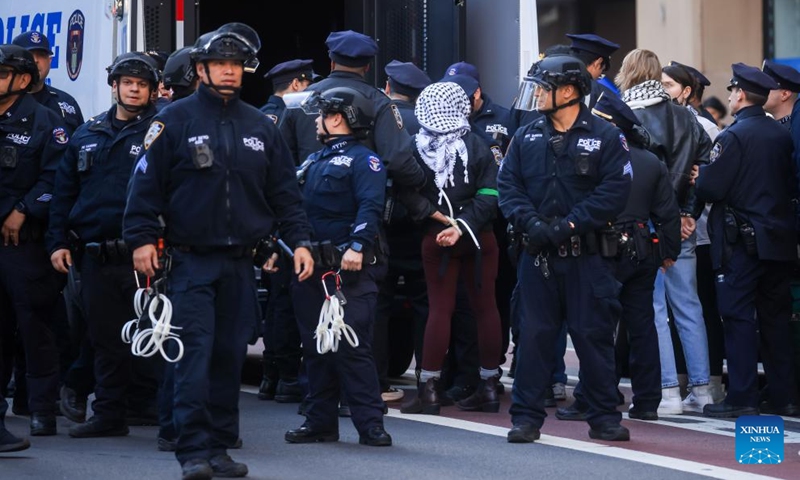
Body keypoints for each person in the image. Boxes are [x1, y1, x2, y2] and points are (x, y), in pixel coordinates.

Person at [123, 23, 315, 480]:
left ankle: (220, 447)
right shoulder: (173, 121)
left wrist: (301, 242)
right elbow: (144, 188)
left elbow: (286, 194)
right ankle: (191, 451)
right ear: (201, 69)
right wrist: (141, 239)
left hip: (240, 263)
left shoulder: (260, 126)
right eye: (219, 65)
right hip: (190, 260)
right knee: (194, 355)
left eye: (235, 65)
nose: (229, 72)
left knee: (230, 355)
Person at [498, 55, 632, 443]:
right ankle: (525, 418)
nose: (537, 94)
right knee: (534, 336)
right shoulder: (525, 135)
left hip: (587, 256)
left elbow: (614, 192)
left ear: (569, 91)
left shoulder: (607, 136)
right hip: (536, 254)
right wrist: (534, 225)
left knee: (593, 336)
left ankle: (604, 416)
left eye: (544, 87)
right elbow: (509, 188)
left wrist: (569, 224)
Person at [46, 51, 163, 438]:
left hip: (145, 254)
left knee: (154, 334)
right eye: (127, 82)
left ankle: (162, 411)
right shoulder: (87, 133)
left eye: (141, 84)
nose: (134, 89)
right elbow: (64, 193)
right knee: (104, 337)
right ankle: (109, 414)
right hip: (93, 253)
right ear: (114, 86)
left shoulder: (161, 133)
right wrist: (57, 241)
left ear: (151, 90)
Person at [558, 92, 681, 422]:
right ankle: (647, 401)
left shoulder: (597, 154)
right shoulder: (650, 160)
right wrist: (669, 252)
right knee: (642, 326)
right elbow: (668, 213)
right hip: (643, 248)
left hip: (603, 248)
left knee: (596, 327)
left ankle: (593, 397)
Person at [284, 86, 392, 447]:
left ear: (337, 118)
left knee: (353, 347)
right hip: (311, 269)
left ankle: (370, 425)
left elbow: (370, 206)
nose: (316, 122)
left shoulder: (366, 161)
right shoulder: (313, 161)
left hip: (349, 270)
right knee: (314, 348)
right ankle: (320, 423)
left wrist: (359, 245)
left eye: (320, 115)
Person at [696, 63, 799, 418]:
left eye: (731, 91)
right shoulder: (781, 135)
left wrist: (701, 175)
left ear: (740, 95)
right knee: (776, 320)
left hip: (741, 243)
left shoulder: (733, 136)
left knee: (738, 318)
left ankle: (742, 397)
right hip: (779, 240)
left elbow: (711, 187)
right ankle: (784, 396)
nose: (728, 97)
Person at [616, 48, 713, 415]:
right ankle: (702, 389)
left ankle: (668, 389)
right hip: (680, 222)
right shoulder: (686, 117)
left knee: (652, 309)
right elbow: (704, 164)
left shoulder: (628, 116)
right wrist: (689, 212)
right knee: (689, 306)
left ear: (629, 73)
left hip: (643, 222)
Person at [396, 81, 502, 416]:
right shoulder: (479, 145)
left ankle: (429, 391)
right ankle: (488, 387)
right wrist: (464, 226)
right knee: (486, 308)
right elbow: (491, 195)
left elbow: (405, 190)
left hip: (435, 237)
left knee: (439, 309)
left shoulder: (414, 148)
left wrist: (438, 217)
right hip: (479, 237)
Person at [0, 44, 69, 438]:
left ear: (21, 80)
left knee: (35, 327)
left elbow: (57, 179)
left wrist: (23, 208)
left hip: (26, 244)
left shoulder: (46, 123)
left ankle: (41, 407)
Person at [279, 30, 426, 194]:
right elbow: (398, 160)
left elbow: (281, 154)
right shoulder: (379, 102)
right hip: (360, 204)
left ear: (332, 62)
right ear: (367, 67)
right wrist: (422, 182)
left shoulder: (301, 99)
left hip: (308, 201)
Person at [660, 62, 725, 404]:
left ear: (687, 91)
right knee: (685, 307)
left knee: (688, 307)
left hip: (694, 231)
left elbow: (709, 176)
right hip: (685, 226)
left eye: (670, 84)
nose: (664, 89)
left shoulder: (701, 126)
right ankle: (695, 386)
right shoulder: (672, 121)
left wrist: (688, 213)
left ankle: (694, 385)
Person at [257, 59, 316, 405]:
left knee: (276, 301)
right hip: (286, 217)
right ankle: (289, 378)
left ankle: (271, 375)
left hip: (266, 220)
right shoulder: (296, 116)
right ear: (297, 85)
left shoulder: (261, 116)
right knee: (290, 299)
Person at [374, 59, 431, 403]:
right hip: (420, 223)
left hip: (383, 221)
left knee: (378, 303)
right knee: (425, 302)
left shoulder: (380, 117)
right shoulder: (428, 120)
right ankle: (429, 377)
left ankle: (378, 379)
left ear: (388, 88)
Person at [11, 31, 84, 134]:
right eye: (29, 55)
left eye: (41, 55)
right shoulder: (4, 101)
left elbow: (78, 146)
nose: (35, 60)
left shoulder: (67, 103)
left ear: (50, 61)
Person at [566, 33, 620, 108]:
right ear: (598, 63)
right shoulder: (602, 94)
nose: (600, 76)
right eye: (602, 70)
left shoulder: (553, 82)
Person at [260, 58, 315, 127]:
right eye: (308, 85)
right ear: (296, 84)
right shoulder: (276, 115)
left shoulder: (272, 112)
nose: (311, 89)